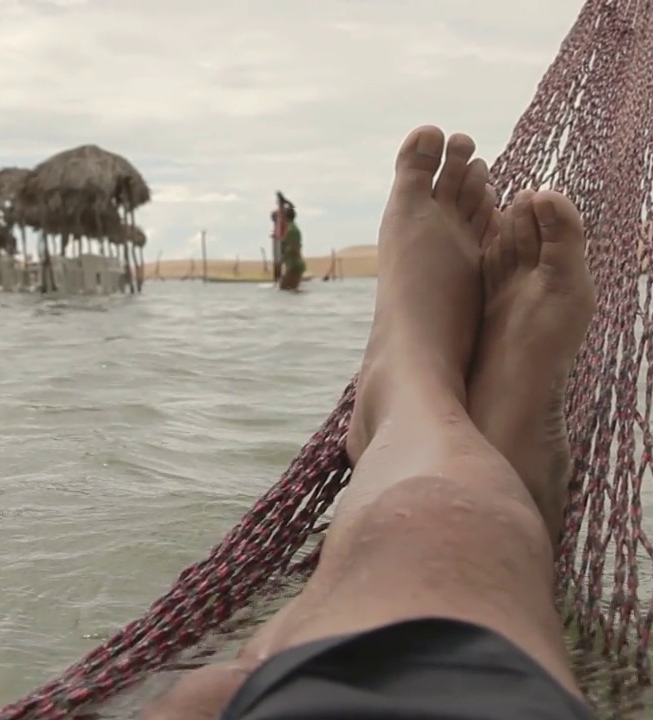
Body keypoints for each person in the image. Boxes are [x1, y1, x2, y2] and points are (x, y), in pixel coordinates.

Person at [143, 125, 598, 720]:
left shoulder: (294, 232)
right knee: (436, 523)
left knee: (232, 681)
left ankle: (411, 391)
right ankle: (465, 438)